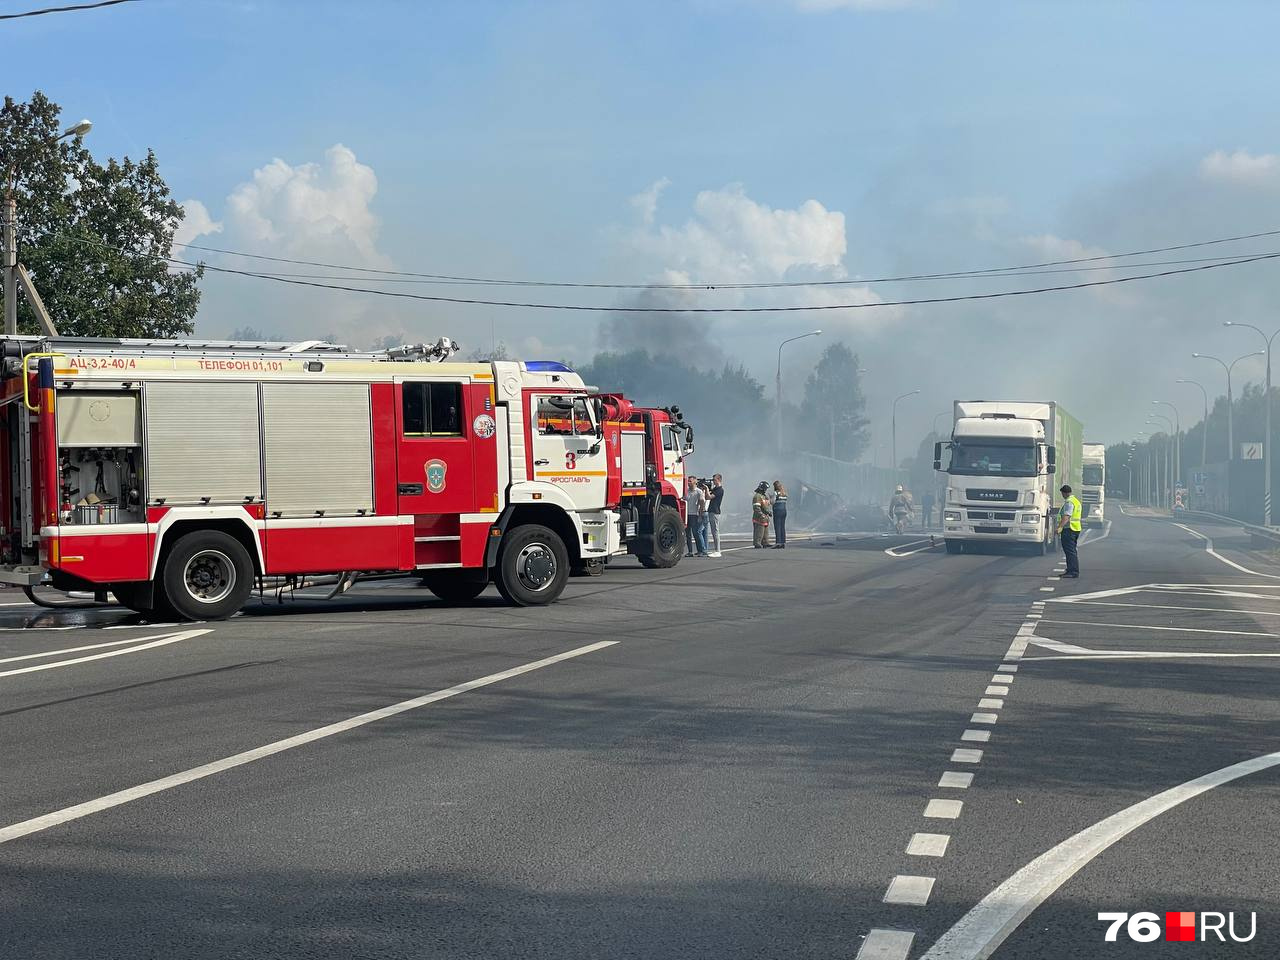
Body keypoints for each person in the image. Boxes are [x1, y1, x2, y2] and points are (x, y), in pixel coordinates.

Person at [1056, 484, 1081, 577]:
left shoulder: (1069, 502)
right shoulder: (1076, 501)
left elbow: (1066, 516)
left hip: (1069, 529)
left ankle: (1073, 572)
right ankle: (1070, 570)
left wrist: (1059, 527)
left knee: (1070, 551)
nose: (1062, 495)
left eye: (1062, 493)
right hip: (1075, 528)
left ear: (1064, 493)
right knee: (1071, 551)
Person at [685, 476, 708, 557]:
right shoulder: (686, 491)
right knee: (687, 534)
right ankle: (690, 551)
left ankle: (701, 550)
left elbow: (702, 502)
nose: (688, 483)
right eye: (688, 481)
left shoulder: (699, 491)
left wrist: (700, 515)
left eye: (690, 481)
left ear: (695, 482)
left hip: (695, 514)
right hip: (687, 515)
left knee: (696, 533)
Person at [707, 473, 724, 557]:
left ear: (719, 480)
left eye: (714, 480)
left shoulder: (720, 490)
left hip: (715, 511)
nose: (713, 481)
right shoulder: (715, 489)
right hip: (711, 511)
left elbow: (709, 497)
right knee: (714, 531)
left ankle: (718, 550)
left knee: (715, 531)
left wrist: (706, 489)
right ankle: (716, 550)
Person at [752, 481, 772, 548]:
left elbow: (766, 505)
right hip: (759, 518)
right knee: (759, 531)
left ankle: (765, 542)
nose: (766, 490)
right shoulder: (757, 496)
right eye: (765, 489)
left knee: (765, 532)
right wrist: (761, 515)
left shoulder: (764, 496)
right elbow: (756, 508)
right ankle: (757, 543)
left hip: (765, 518)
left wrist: (768, 512)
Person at [772, 480, 789, 548]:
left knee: (777, 527)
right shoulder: (785, 493)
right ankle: (783, 542)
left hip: (777, 511)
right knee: (782, 527)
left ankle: (778, 542)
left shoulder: (776, 493)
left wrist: (770, 498)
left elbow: (772, 502)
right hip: (784, 511)